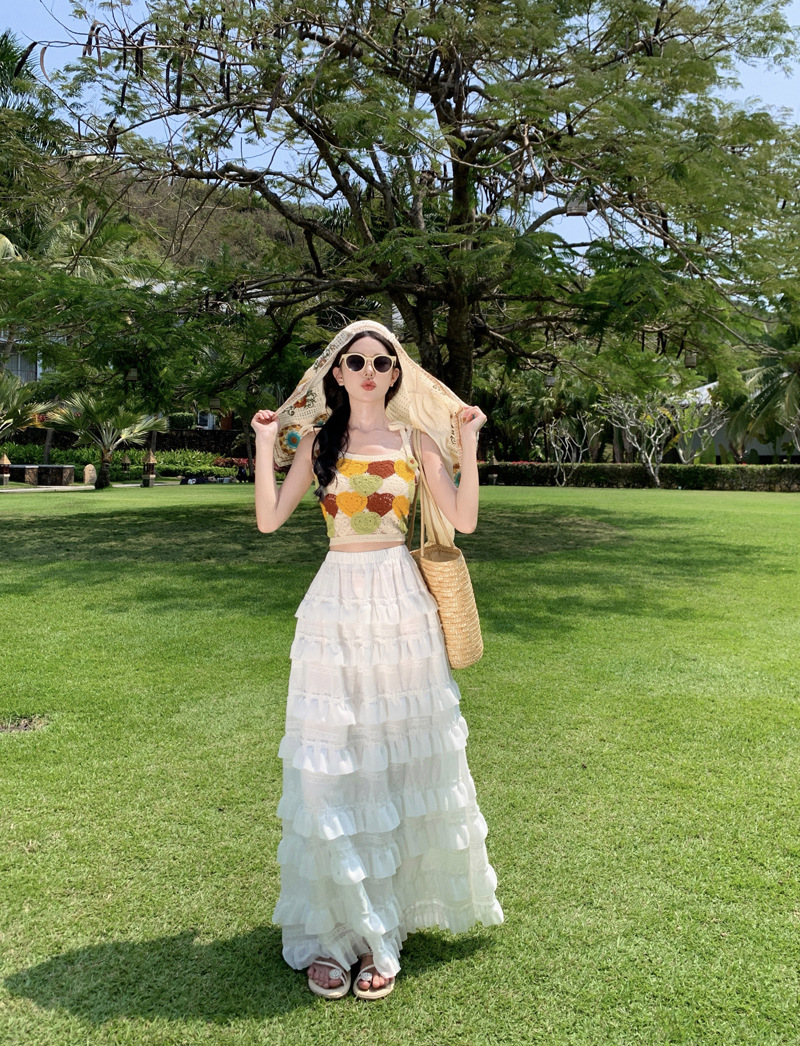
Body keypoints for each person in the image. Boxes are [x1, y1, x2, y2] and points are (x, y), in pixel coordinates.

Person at [251, 320, 503, 1001]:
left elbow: (465, 519)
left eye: (381, 361)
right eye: (355, 361)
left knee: (393, 761)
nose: (368, 371)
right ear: (336, 372)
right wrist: (267, 445)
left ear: (396, 373)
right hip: (334, 605)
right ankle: (334, 933)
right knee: (329, 767)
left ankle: (380, 930)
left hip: (400, 607)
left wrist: (468, 445)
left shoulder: (416, 442)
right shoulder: (318, 443)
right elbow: (270, 519)